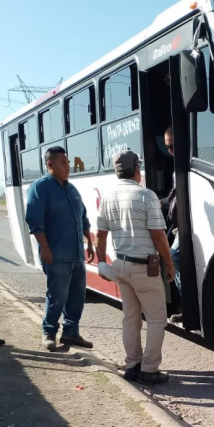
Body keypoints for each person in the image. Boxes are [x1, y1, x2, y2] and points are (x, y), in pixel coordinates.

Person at [96, 150, 175, 385]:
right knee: (156, 319)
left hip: (120, 265)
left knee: (130, 318)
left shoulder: (109, 197)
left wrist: (102, 261)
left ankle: (132, 366)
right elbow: (159, 236)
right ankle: (149, 370)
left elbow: (100, 235)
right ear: (137, 169)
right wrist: (169, 263)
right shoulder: (146, 195)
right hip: (144, 268)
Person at [25, 146, 95, 352]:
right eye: (63, 163)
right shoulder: (40, 188)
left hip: (76, 254)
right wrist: (44, 248)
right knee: (57, 295)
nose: (68, 167)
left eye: (68, 163)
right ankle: (49, 333)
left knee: (77, 295)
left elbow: (83, 217)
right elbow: (35, 221)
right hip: (55, 254)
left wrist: (89, 243)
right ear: (50, 165)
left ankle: (71, 333)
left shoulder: (71, 188)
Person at [161, 126, 182, 323]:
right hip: (179, 225)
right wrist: (162, 203)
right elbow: (175, 197)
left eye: (173, 146)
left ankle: (186, 304)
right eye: (167, 147)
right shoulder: (176, 168)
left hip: (187, 225)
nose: (170, 152)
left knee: (173, 256)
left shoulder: (186, 166)